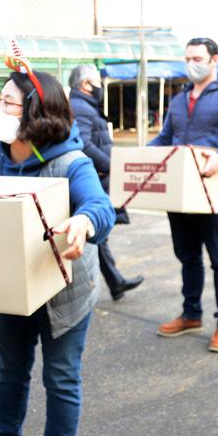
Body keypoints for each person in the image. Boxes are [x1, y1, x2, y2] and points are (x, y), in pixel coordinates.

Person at [0, 64, 115, 436]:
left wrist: (84, 223)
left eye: (8, 101)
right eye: (0, 100)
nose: (0, 107)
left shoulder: (73, 161)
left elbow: (101, 208)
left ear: (35, 111)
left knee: (62, 377)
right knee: (10, 373)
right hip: (11, 288)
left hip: (65, 291)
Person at [148, 37, 218, 353]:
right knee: (188, 255)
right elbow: (166, 138)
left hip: (214, 191)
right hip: (179, 191)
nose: (191, 64)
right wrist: (139, 156)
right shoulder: (179, 101)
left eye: (197, 58)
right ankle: (191, 314)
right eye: (187, 58)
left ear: (214, 61)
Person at [68, 64, 145, 301]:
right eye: (99, 84)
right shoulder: (81, 108)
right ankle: (111, 282)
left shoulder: (85, 106)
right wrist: (113, 164)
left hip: (99, 175)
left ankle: (115, 281)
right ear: (85, 85)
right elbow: (86, 145)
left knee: (97, 233)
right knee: (96, 231)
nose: (102, 88)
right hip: (96, 178)